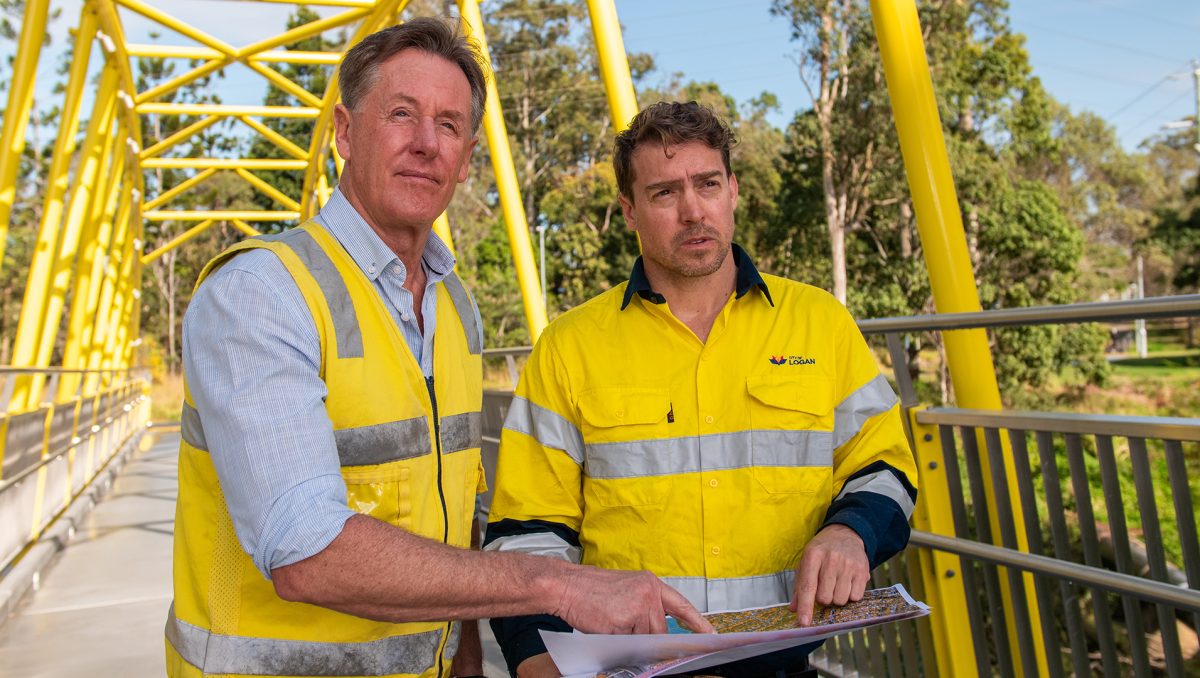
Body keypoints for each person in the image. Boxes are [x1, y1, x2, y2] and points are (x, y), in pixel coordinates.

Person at [166, 20, 710, 678]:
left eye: (449, 125)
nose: (427, 144)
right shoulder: (261, 294)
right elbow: (304, 549)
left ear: (467, 154)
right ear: (343, 131)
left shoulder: (453, 307)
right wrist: (555, 584)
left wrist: (468, 661)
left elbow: (454, 525)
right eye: (402, 115)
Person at [485, 101, 919, 677]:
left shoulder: (821, 324)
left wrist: (851, 531)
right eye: (664, 193)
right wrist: (532, 658)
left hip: (783, 665)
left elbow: (885, 465)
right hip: (626, 669)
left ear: (733, 190)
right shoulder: (568, 347)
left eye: (708, 184)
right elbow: (526, 535)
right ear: (630, 211)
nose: (693, 211)